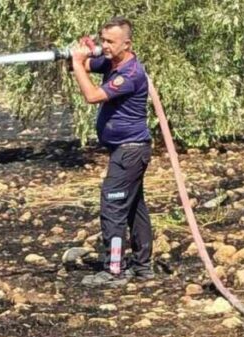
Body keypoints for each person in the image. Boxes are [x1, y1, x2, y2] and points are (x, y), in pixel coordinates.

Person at [69, 16, 154, 288]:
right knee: (134, 208)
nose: (104, 46)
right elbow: (81, 68)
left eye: (110, 42)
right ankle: (143, 267)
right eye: (102, 40)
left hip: (130, 151)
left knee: (113, 205)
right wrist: (80, 54)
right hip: (126, 150)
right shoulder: (111, 62)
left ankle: (114, 269)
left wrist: (76, 63)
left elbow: (92, 96)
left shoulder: (130, 73)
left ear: (126, 44)